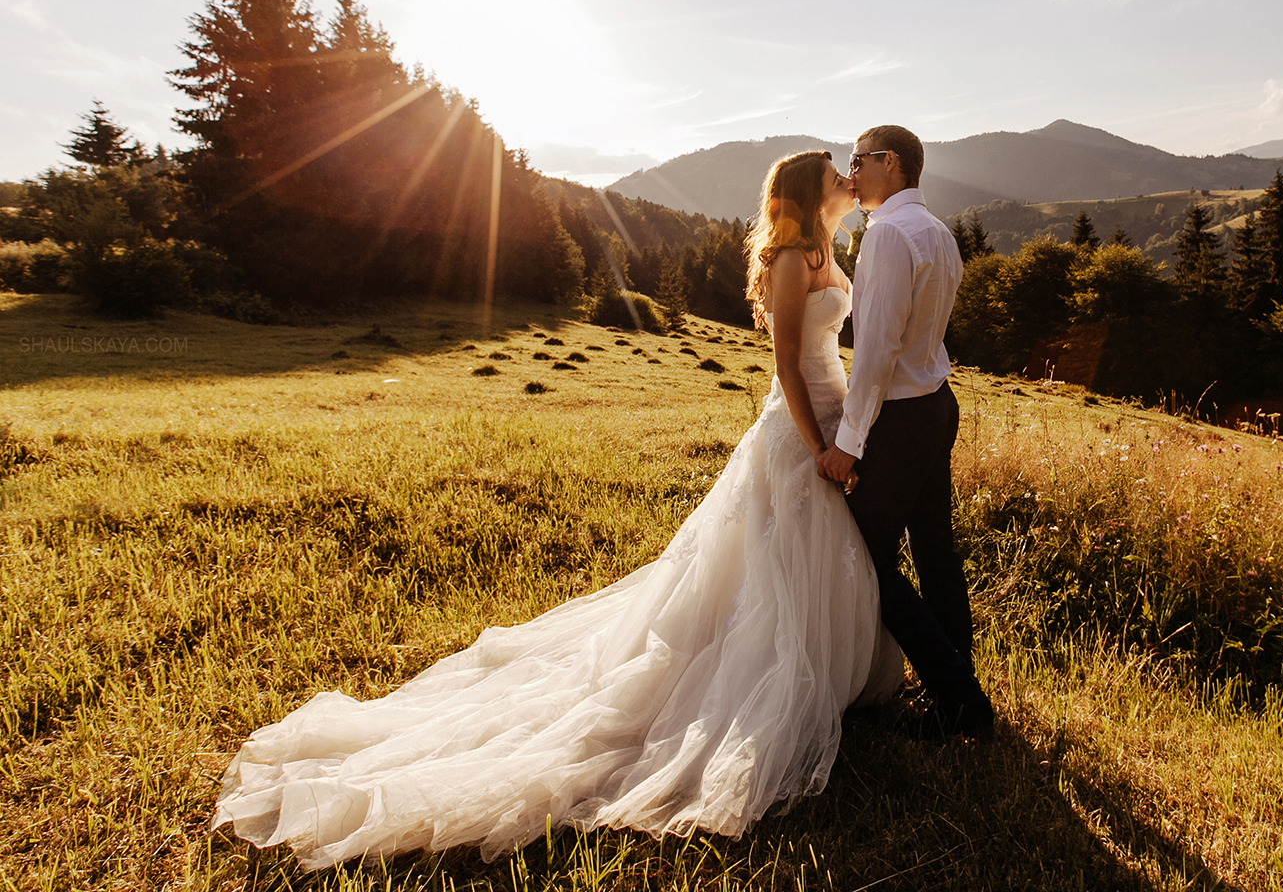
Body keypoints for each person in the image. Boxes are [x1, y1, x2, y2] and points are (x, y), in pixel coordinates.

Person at [211, 151, 901, 869]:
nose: (845, 180)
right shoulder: (792, 260)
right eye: (833, 175)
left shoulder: (826, 246)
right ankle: (764, 686)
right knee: (773, 565)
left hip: (830, 413)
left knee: (802, 559)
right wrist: (821, 441)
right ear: (805, 192)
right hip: (799, 427)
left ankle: (824, 674)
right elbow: (788, 363)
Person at [818, 126, 994, 738]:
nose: (851, 171)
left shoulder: (890, 233)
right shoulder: (937, 231)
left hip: (901, 415)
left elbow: (875, 351)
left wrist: (848, 441)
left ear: (889, 163)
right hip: (935, 405)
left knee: (865, 554)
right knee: (935, 552)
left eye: (858, 160)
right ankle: (957, 690)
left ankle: (960, 697)